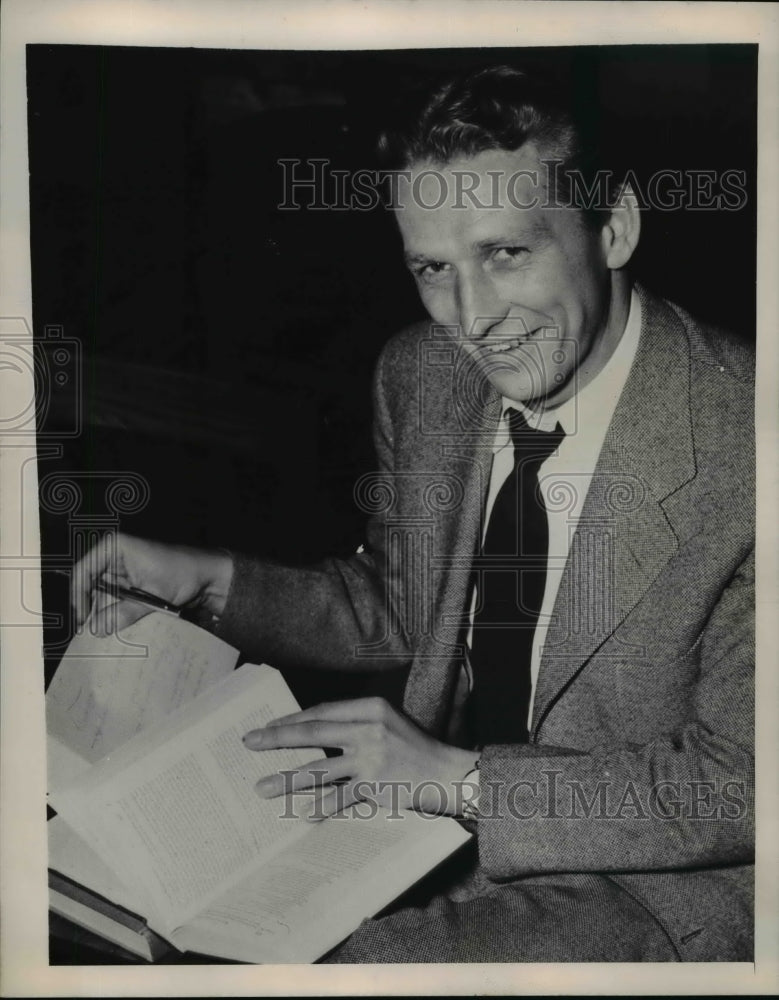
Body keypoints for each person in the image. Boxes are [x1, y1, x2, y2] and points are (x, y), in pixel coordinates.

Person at [70, 66, 754, 962]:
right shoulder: (422, 376)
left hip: (662, 887)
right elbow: (407, 612)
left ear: (614, 226)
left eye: (505, 254)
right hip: (425, 831)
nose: (472, 319)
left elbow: (742, 783)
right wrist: (212, 582)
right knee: (116, 900)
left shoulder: (749, 442)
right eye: (433, 268)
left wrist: (458, 781)